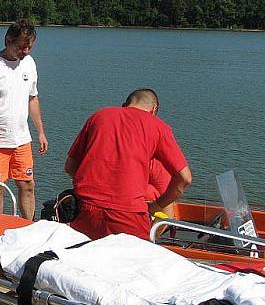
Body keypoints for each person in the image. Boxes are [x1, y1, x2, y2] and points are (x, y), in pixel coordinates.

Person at [65, 88, 192, 240]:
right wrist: (157, 206)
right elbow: (185, 178)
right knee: (133, 262)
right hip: (127, 215)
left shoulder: (99, 116)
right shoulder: (158, 126)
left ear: (125, 104)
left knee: (85, 260)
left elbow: (70, 167)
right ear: (154, 109)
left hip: (85, 210)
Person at [0, 19, 48, 219]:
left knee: (27, 184)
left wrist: (40, 131)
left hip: (21, 140)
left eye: (29, 47)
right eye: (21, 47)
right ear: (8, 39)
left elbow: (32, 98)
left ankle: (28, 225)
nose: (25, 52)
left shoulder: (29, 63)